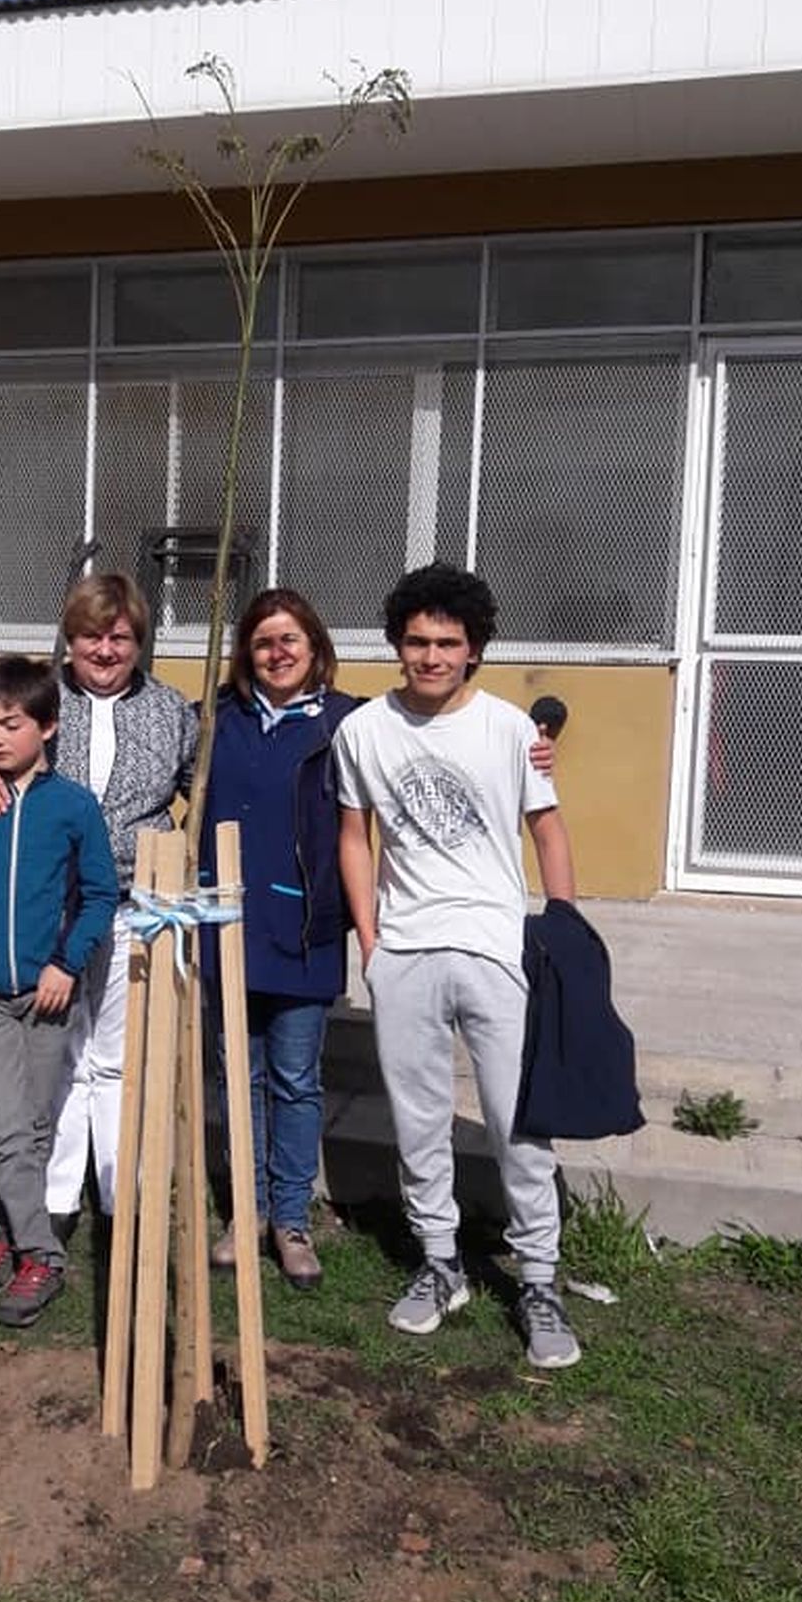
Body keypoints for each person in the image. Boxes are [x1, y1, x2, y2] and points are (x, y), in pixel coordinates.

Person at [335, 562, 582, 1369]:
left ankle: (539, 1278)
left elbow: (546, 830)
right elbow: (354, 838)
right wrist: (371, 944)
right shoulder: (364, 731)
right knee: (418, 1119)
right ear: (397, 646)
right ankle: (441, 1265)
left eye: (448, 642)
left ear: (474, 649)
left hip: (495, 949)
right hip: (405, 951)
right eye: (417, 642)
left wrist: (565, 925)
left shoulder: (511, 729)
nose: (432, 656)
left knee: (519, 1123)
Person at [0, 573, 196, 1230]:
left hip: (132, 903)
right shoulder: (39, 697)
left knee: (118, 1054)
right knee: (60, 1050)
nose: (105, 650)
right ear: (71, 639)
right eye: (91, 636)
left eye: (119, 637)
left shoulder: (171, 710)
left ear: (138, 642)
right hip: (48, 904)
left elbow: (196, 787)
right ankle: (56, 1195)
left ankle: (120, 1193)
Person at [0, 656, 118, 1325]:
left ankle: (6, 1232)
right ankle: (43, 1257)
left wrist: (67, 963)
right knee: (9, 1128)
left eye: (10, 724)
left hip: (48, 996)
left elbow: (99, 894)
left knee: (33, 1129)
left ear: (48, 725)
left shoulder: (73, 806)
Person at [197, 589, 361, 1291]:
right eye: (264, 641)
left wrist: (532, 746)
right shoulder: (215, 721)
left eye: (291, 638)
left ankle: (291, 1219)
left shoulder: (347, 721)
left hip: (303, 927)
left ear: (315, 646)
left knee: (295, 1080)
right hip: (229, 924)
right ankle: (247, 1211)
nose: (278, 652)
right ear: (246, 653)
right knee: (241, 1077)